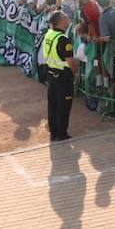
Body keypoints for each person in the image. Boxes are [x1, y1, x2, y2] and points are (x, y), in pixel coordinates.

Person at [41, 10, 77, 141]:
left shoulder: (49, 34)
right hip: (63, 76)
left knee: (53, 104)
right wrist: (75, 71)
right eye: (66, 17)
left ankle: (53, 132)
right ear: (61, 22)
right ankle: (61, 134)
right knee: (64, 105)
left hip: (51, 74)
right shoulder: (63, 39)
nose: (68, 20)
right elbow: (71, 62)